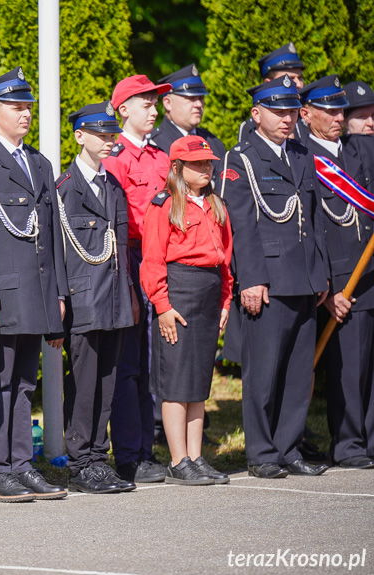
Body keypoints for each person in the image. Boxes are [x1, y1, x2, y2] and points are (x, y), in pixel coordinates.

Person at [219, 75, 329, 479]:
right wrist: (250, 278)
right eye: (278, 111)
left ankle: (289, 447)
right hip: (267, 281)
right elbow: (241, 225)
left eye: (291, 112)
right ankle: (262, 453)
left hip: (304, 277)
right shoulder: (241, 159)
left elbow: (313, 220)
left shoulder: (301, 154)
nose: (287, 119)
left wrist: (321, 274)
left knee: (298, 374)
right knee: (264, 373)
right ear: (256, 113)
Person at [0, 67, 67, 502]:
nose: (25, 114)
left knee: (26, 381)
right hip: (4, 292)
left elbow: (52, 234)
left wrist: (59, 292)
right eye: (15, 107)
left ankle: (22, 464)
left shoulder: (39, 163)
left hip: (38, 290)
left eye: (27, 106)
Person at [141, 135, 233, 486]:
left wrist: (225, 300)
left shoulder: (215, 203)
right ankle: (178, 460)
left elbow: (226, 258)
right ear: (178, 168)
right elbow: (152, 259)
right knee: (176, 382)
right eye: (197, 164)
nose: (206, 168)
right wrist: (163, 306)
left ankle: (196, 457)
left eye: (208, 162)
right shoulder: (165, 204)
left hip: (208, 294)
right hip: (179, 292)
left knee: (198, 381)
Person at [55, 101, 136, 494]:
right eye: (101, 134)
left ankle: (98, 458)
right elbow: (59, 253)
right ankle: (80, 461)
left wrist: (129, 295)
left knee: (107, 382)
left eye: (111, 134)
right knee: (84, 385)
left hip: (114, 299)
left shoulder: (112, 185)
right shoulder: (66, 189)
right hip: (83, 299)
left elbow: (121, 246)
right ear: (79, 136)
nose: (109, 141)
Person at [299, 76, 374, 469]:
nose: (338, 118)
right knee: (349, 369)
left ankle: (371, 440)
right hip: (342, 281)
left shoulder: (359, 149)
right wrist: (326, 289)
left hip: (370, 272)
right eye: (329, 111)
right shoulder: (302, 156)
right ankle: (349, 444)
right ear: (306, 114)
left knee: (370, 367)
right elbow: (308, 229)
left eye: (341, 110)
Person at [103, 74, 171, 484]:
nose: (153, 110)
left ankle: (147, 447)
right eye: (146, 103)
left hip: (161, 261)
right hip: (129, 258)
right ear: (123, 109)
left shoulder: (161, 157)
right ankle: (129, 454)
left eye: (155, 103)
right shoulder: (116, 157)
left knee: (151, 364)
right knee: (128, 363)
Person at [151, 64, 226, 174]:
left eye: (201, 98)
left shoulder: (213, 142)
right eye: (191, 98)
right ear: (168, 103)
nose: (198, 104)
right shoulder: (155, 145)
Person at [237, 43, 306, 144]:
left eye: (300, 78)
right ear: (268, 82)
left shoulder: (309, 118)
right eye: (290, 79)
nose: (299, 84)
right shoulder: (252, 126)